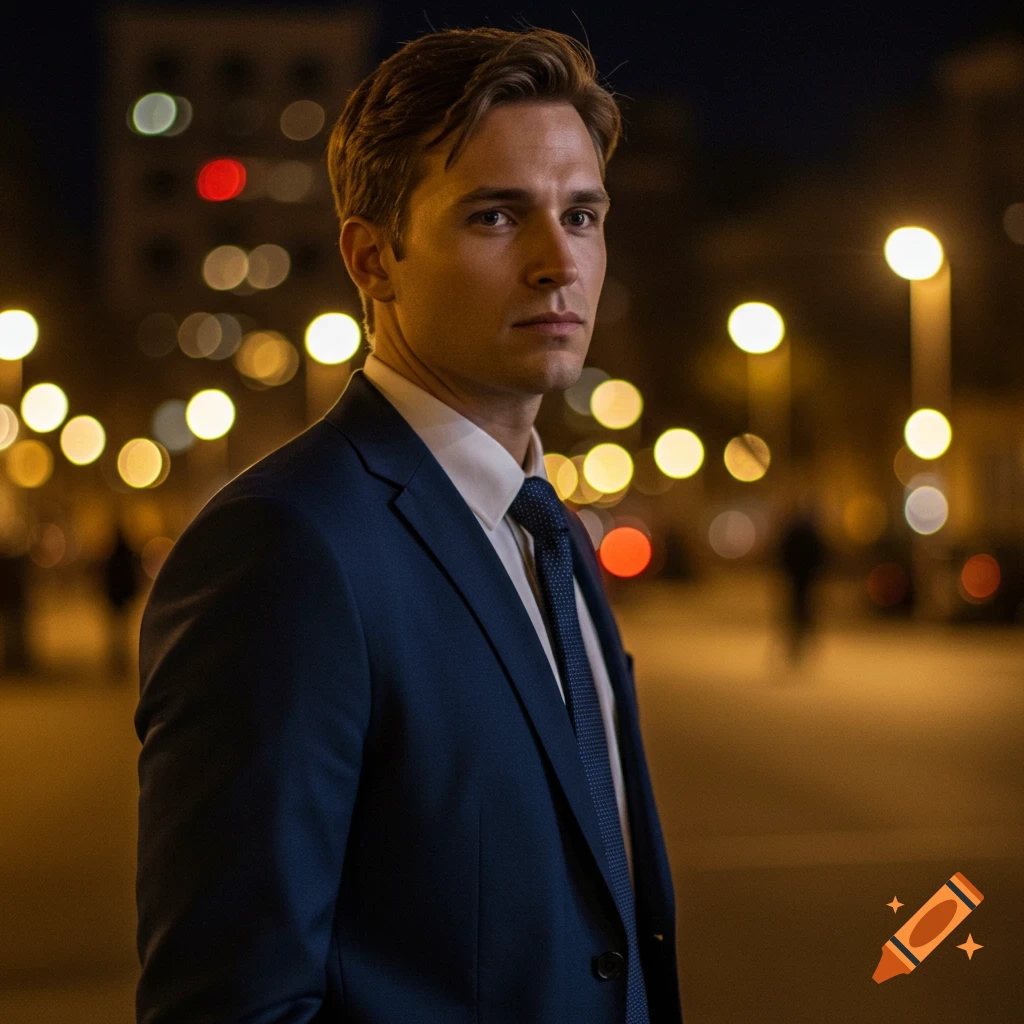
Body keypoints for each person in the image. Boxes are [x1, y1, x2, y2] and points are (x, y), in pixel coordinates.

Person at [135, 26, 681, 1024]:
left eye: (583, 214)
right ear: (373, 258)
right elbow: (229, 1005)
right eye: (494, 215)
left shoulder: (548, 530)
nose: (558, 262)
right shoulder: (285, 548)